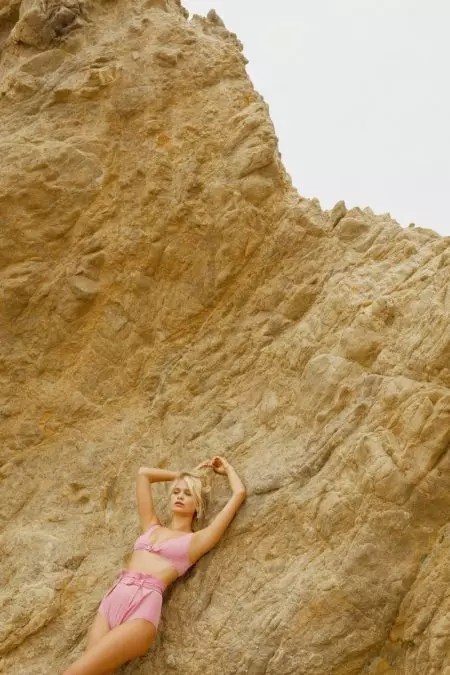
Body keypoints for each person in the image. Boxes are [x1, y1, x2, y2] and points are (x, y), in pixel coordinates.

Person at [63, 455, 247, 675]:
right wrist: (182, 475)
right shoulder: (151, 525)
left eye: (188, 493)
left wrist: (226, 468)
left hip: (141, 611)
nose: (180, 496)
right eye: (176, 492)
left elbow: (239, 494)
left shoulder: (196, 541)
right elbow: (143, 474)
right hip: (112, 600)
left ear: (197, 504)